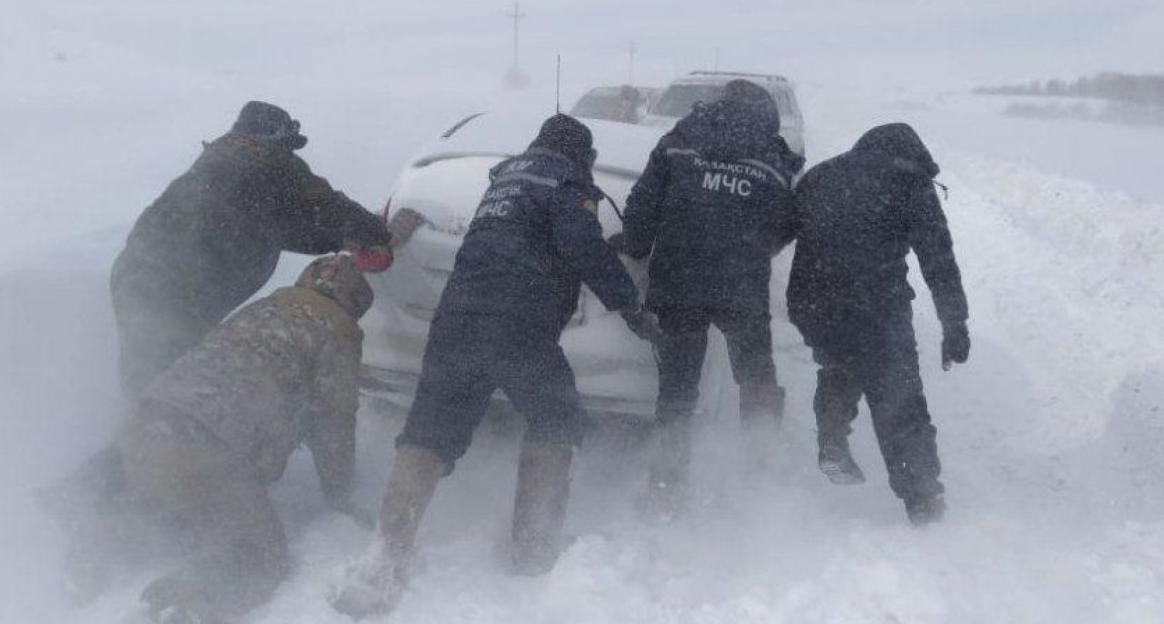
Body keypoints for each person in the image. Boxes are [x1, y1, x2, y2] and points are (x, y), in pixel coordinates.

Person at [332, 114, 660, 619]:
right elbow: (583, 247)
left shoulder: (503, 183)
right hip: (520, 325)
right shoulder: (566, 183)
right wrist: (631, 308)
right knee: (556, 419)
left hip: (455, 321)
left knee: (428, 433)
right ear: (582, 155)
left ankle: (384, 556)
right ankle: (533, 549)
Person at [116, 254, 374, 622]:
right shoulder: (336, 331)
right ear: (354, 303)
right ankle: (190, 610)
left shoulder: (264, 307)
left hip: (145, 425)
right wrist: (340, 491)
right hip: (203, 450)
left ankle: (99, 548)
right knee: (262, 560)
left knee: (172, 505)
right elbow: (334, 423)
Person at [610, 79, 804, 515]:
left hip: (679, 279)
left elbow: (643, 206)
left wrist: (636, 245)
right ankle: (762, 471)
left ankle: (666, 487)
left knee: (678, 388)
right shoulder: (775, 158)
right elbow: (784, 225)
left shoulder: (680, 141)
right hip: (742, 285)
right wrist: (752, 247)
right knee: (756, 376)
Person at [110, 101, 390, 398]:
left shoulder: (227, 170)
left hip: (135, 276)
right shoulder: (265, 159)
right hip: (173, 289)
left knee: (148, 378)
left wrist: (342, 241)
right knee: (173, 386)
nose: (291, 155)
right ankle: (154, 437)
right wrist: (375, 231)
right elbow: (326, 206)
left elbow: (281, 228)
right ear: (275, 138)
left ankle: (134, 433)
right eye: (288, 147)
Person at [785, 123, 970, 526]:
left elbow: (776, 231)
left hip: (814, 303)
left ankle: (832, 435)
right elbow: (938, 258)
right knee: (900, 402)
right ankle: (922, 501)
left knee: (840, 365)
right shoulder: (911, 185)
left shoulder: (822, 174)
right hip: (877, 307)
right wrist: (954, 322)